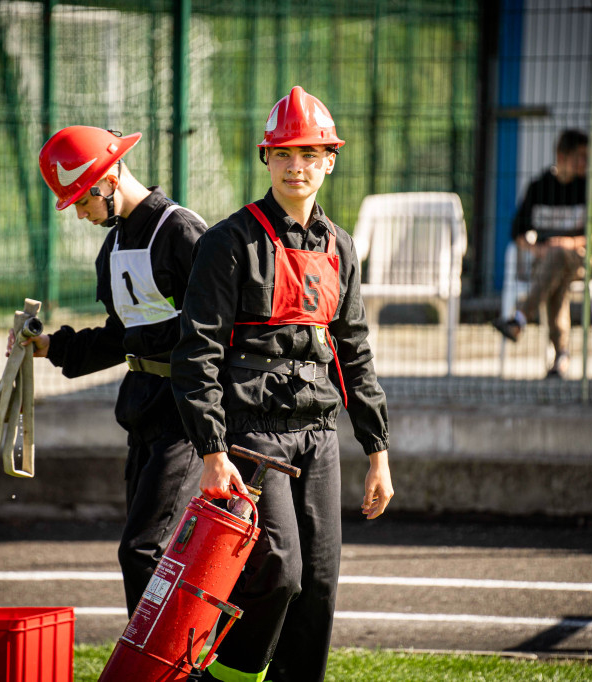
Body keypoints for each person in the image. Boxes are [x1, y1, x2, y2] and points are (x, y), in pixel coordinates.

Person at [170, 86, 394, 682]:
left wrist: (377, 452)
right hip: (250, 438)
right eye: (285, 154)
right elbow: (199, 354)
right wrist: (212, 451)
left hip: (318, 437)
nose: (298, 166)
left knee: (318, 584)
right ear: (266, 159)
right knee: (279, 572)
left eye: (310, 154)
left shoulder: (341, 247)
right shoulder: (228, 243)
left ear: (329, 161)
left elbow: (354, 353)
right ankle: (224, 678)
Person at [12, 125, 207, 614]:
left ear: (107, 180)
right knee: (146, 553)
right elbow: (121, 336)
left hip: (186, 417)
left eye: (81, 200)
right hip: (141, 413)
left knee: (144, 551)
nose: (79, 212)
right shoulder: (115, 246)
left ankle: (166, 667)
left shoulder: (182, 232)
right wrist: (50, 346)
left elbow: (219, 334)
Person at [492, 129, 592, 378]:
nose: (585, 163)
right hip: (546, 265)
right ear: (561, 155)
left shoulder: (591, 189)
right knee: (555, 271)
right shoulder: (539, 188)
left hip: (582, 260)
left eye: (588, 157)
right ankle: (560, 355)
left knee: (558, 257)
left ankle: (521, 319)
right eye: (580, 156)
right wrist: (537, 248)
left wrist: (574, 242)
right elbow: (516, 232)